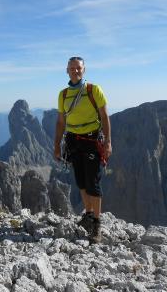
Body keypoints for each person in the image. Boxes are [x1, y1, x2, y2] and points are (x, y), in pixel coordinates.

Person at [54, 56, 112, 243]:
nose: (75, 71)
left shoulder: (93, 90)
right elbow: (61, 122)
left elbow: (104, 117)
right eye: (72, 68)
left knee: (93, 182)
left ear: (84, 70)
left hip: (92, 140)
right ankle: (88, 214)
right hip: (72, 141)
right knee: (81, 181)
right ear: (67, 70)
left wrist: (108, 142)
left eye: (78, 68)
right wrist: (56, 145)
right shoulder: (63, 95)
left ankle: (96, 224)